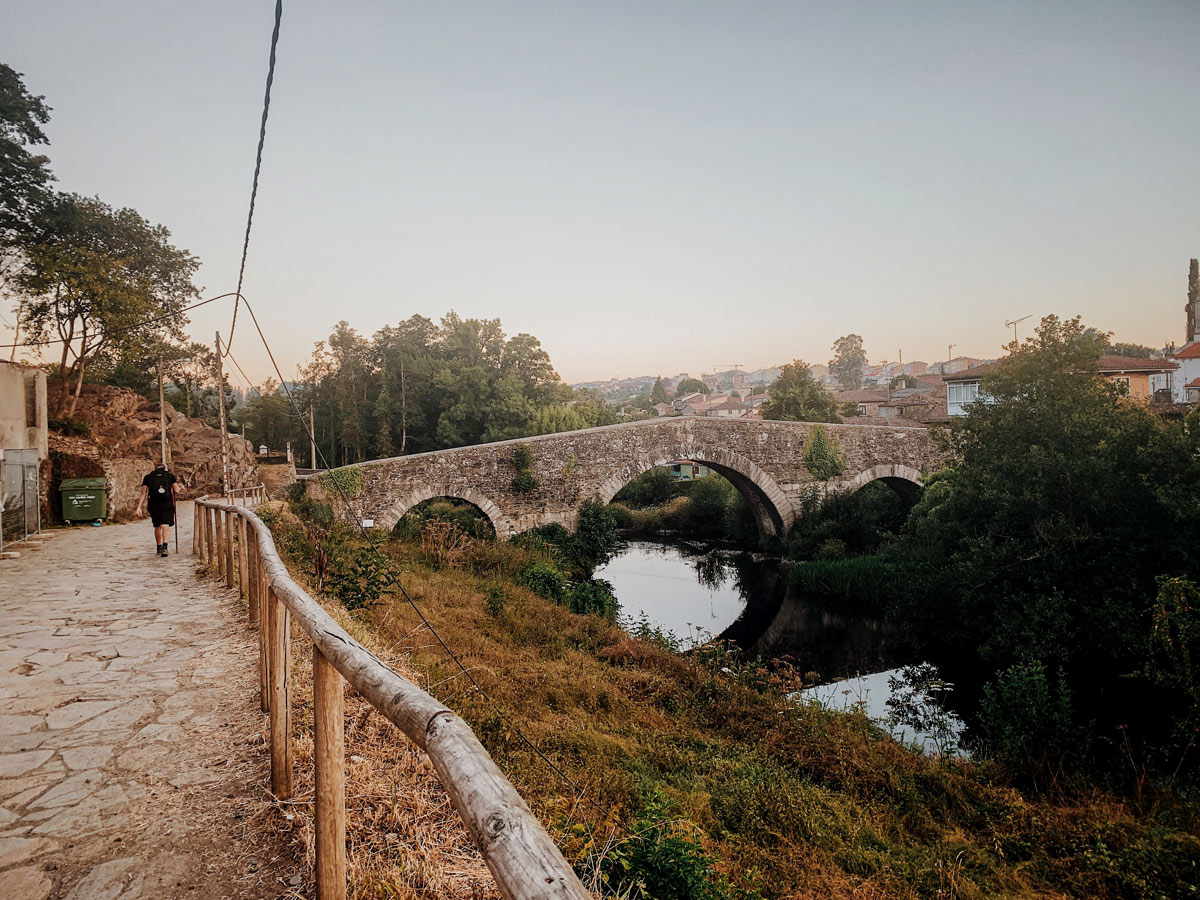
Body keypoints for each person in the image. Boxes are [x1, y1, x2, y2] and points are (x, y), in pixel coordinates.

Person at [135, 462, 179, 557]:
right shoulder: (170, 476)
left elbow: (143, 493)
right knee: (165, 525)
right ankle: (165, 547)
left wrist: (139, 507)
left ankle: (159, 546)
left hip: (153, 504)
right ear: (164, 468)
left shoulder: (148, 477)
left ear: (155, 469)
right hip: (167, 504)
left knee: (157, 526)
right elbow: (176, 490)